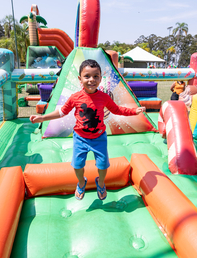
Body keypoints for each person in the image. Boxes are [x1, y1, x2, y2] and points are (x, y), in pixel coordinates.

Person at [30, 59, 146, 201]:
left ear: (100, 78)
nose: (91, 80)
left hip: (99, 137)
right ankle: (81, 182)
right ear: (80, 79)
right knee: (77, 166)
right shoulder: (75, 97)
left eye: (96, 76)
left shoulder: (104, 97)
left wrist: (134, 111)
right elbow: (62, 112)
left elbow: (117, 109)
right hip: (81, 137)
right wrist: (42, 118)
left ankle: (101, 182)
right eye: (87, 76)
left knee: (103, 166)